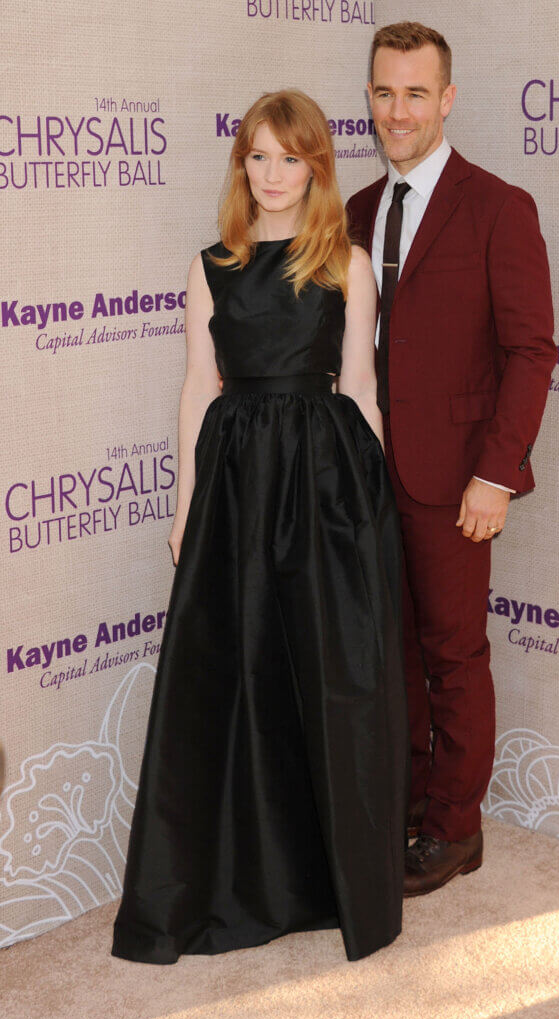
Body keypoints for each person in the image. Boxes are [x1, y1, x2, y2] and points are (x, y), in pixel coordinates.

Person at [111, 89, 409, 964]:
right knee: (233, 676)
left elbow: (359, 388)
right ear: (240, 164)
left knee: (329, 676)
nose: (272, 175)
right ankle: (235, 884)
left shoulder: (345, 261)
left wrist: (374, 504)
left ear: (316, 166)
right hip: (238, 477)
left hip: (325, 480)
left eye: (290, 158)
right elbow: (197, 386)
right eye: (257, 157)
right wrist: (184, 503)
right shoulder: (212, 262)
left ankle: (333, 883)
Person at [346, 22, 557, 897]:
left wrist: (494, 474)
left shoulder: (496, 205)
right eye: (383, 93)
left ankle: (453, 830)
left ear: (447, 99)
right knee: (385, 655)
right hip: (360, 477)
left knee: (452, 658)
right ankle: (399, 805)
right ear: (369, 98)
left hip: (455, 482)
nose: (398, 111)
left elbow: (531, 350)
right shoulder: (354, 210)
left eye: (415, 94)